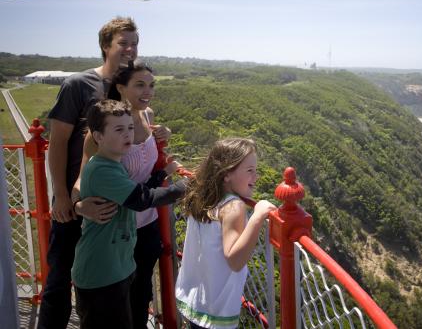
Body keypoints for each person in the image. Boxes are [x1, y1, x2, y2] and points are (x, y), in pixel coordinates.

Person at [38, 17, 139, 328]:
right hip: (75, 203)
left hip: (112, 208)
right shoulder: (78, 85)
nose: (130, 49)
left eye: (134, 43)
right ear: (105, 46)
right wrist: (63, 197)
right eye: (123, 42)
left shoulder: (126, 87)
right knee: (59, 281)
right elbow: (57, 143)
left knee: (114, 284)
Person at [72, 99, 187, 328]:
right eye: (118, 129)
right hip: (101, 273)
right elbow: (142, 199)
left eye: (130, 128)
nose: (128, 135)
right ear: (98, 137)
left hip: (117, 267)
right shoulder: (103, 170)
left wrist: (162, 173)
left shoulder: (114, 165)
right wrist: (186, 187)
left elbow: (138, 189)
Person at [175, 138, 277, 329]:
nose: (256, 177)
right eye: (249, 171)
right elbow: (235, 260)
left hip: (194, 300)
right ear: (226, 173)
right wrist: (257, 216)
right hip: (216, 310)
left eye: (256, 170)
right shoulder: (233, 206)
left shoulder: (203, 196)